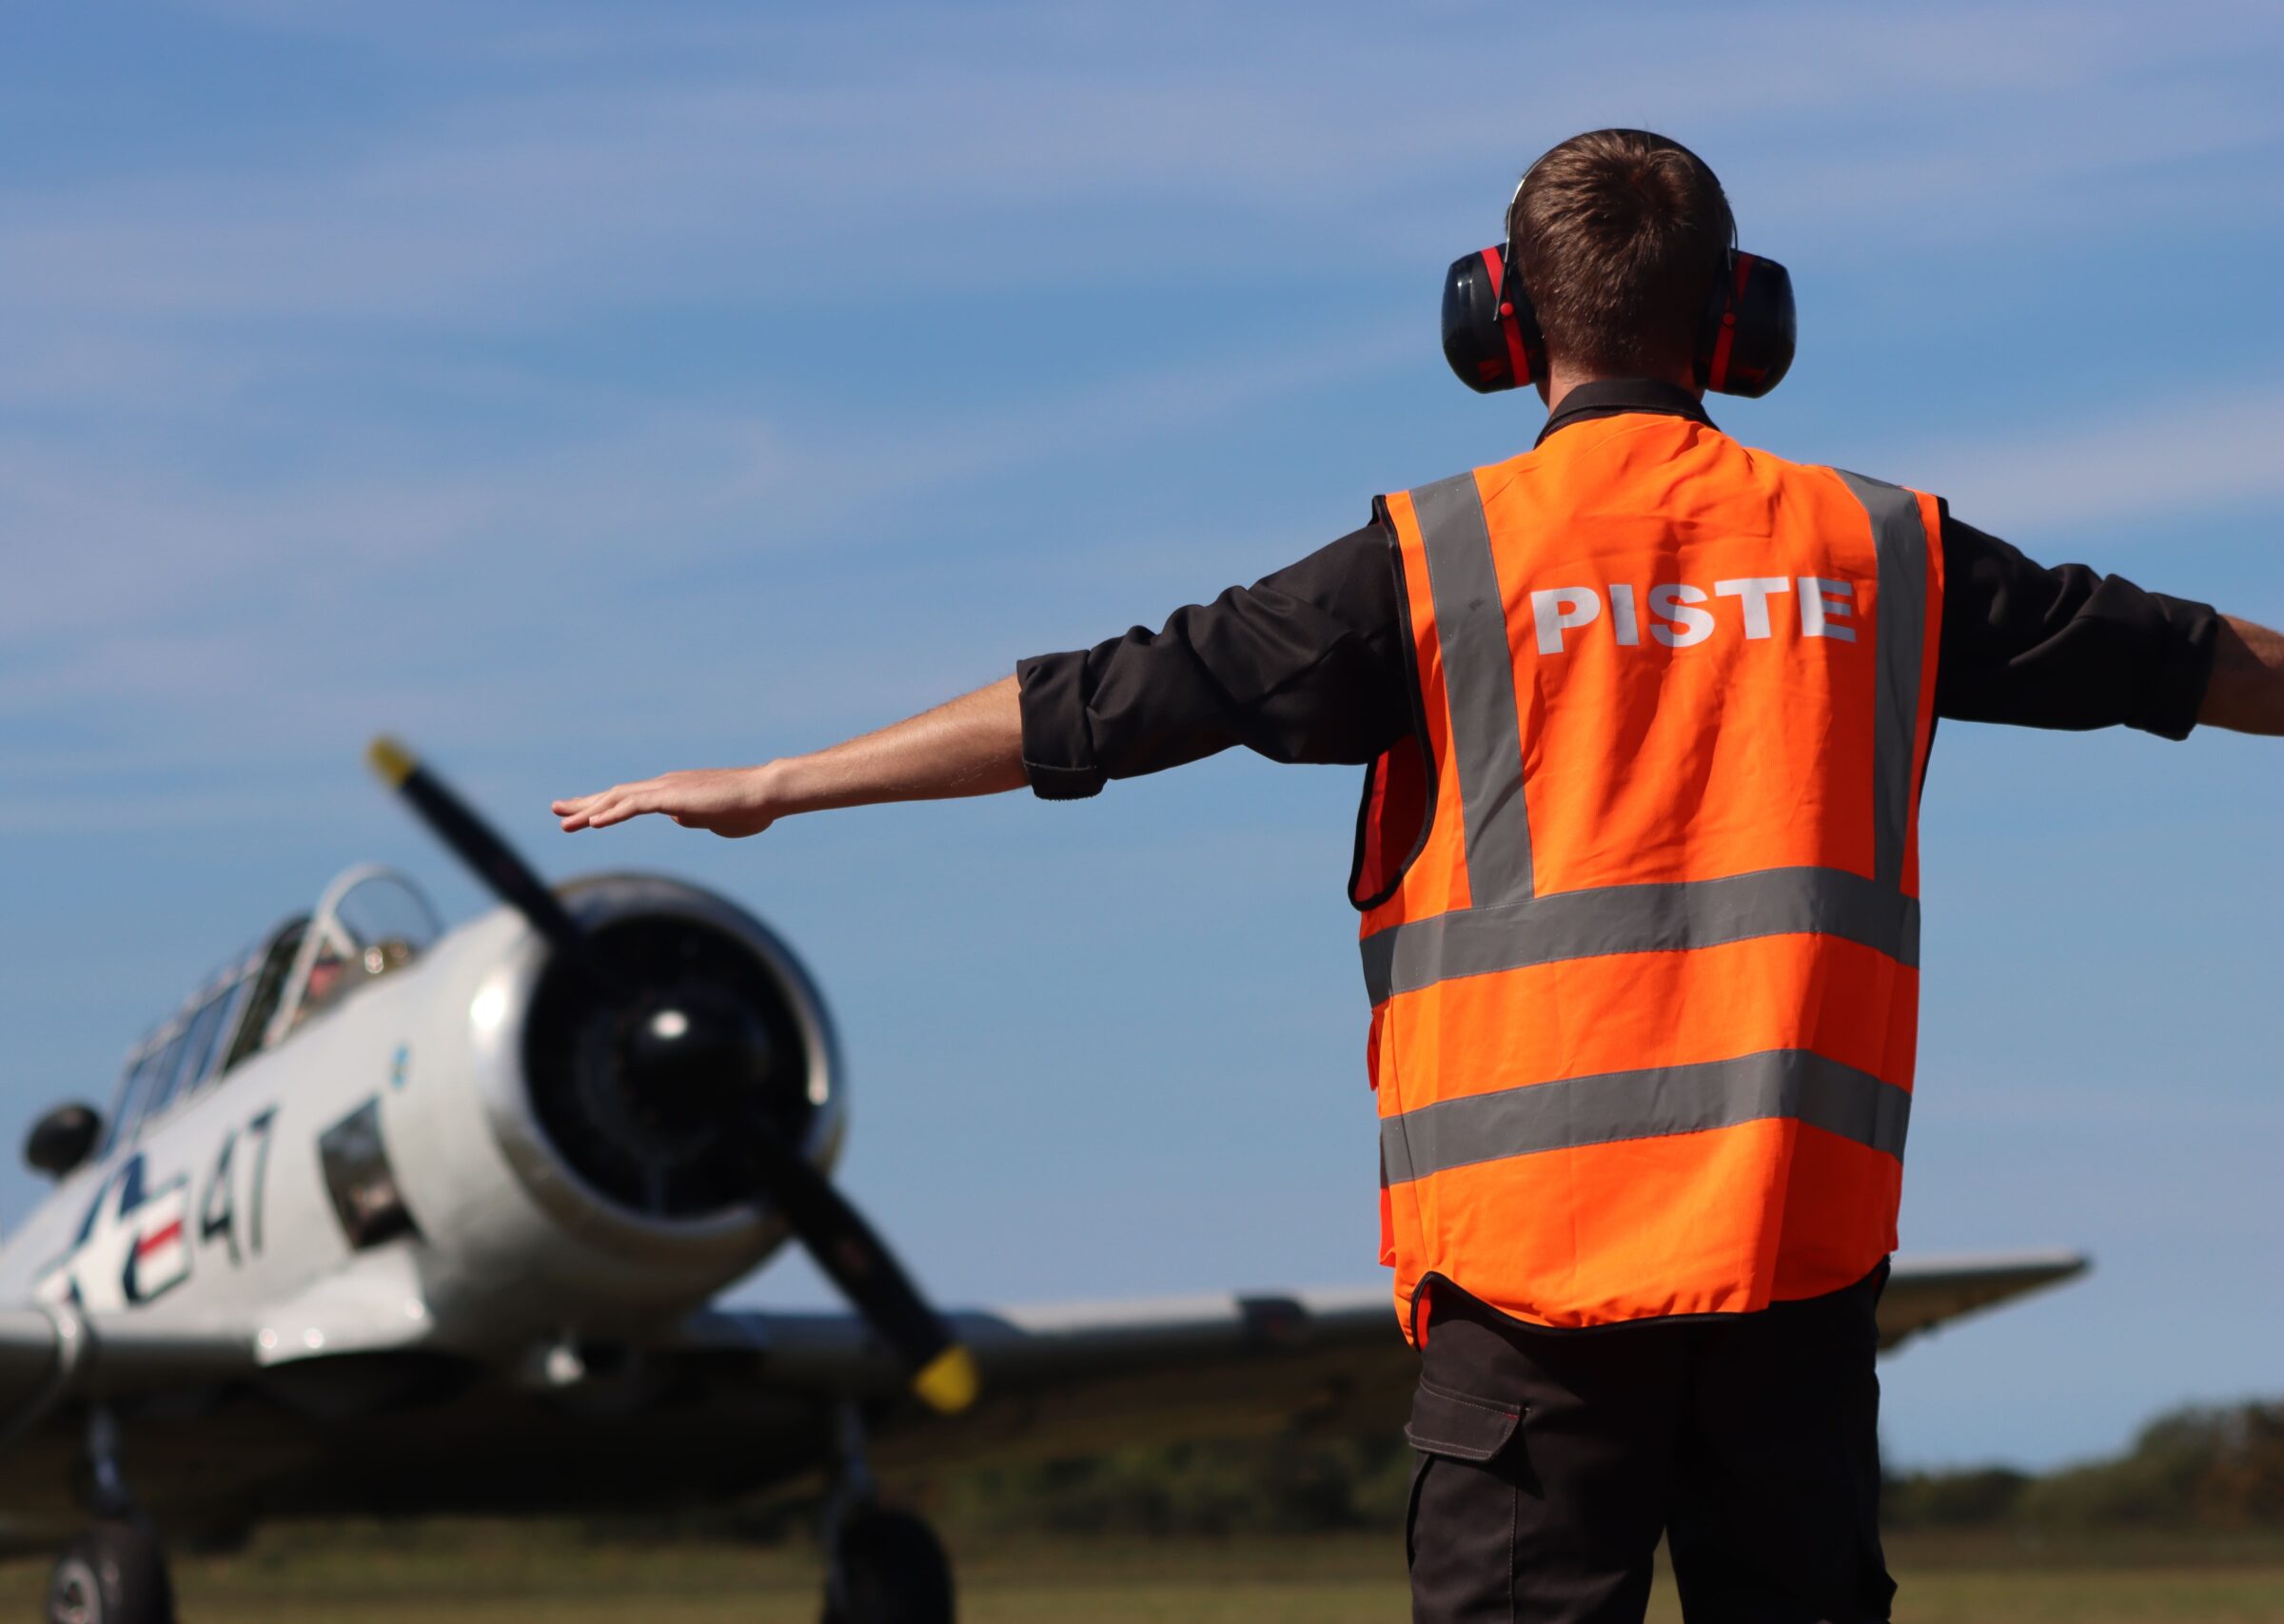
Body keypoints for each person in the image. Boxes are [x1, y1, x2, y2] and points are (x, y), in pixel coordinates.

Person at [553, 130, 2282, 1623]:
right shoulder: (1880, 551)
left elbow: (1110, 701)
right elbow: (2185, 655)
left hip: (1529, 1288)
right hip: (1793, 1266)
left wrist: (782, 783)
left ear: (1500, 325)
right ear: (1741, 321)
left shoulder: (1433, 563)